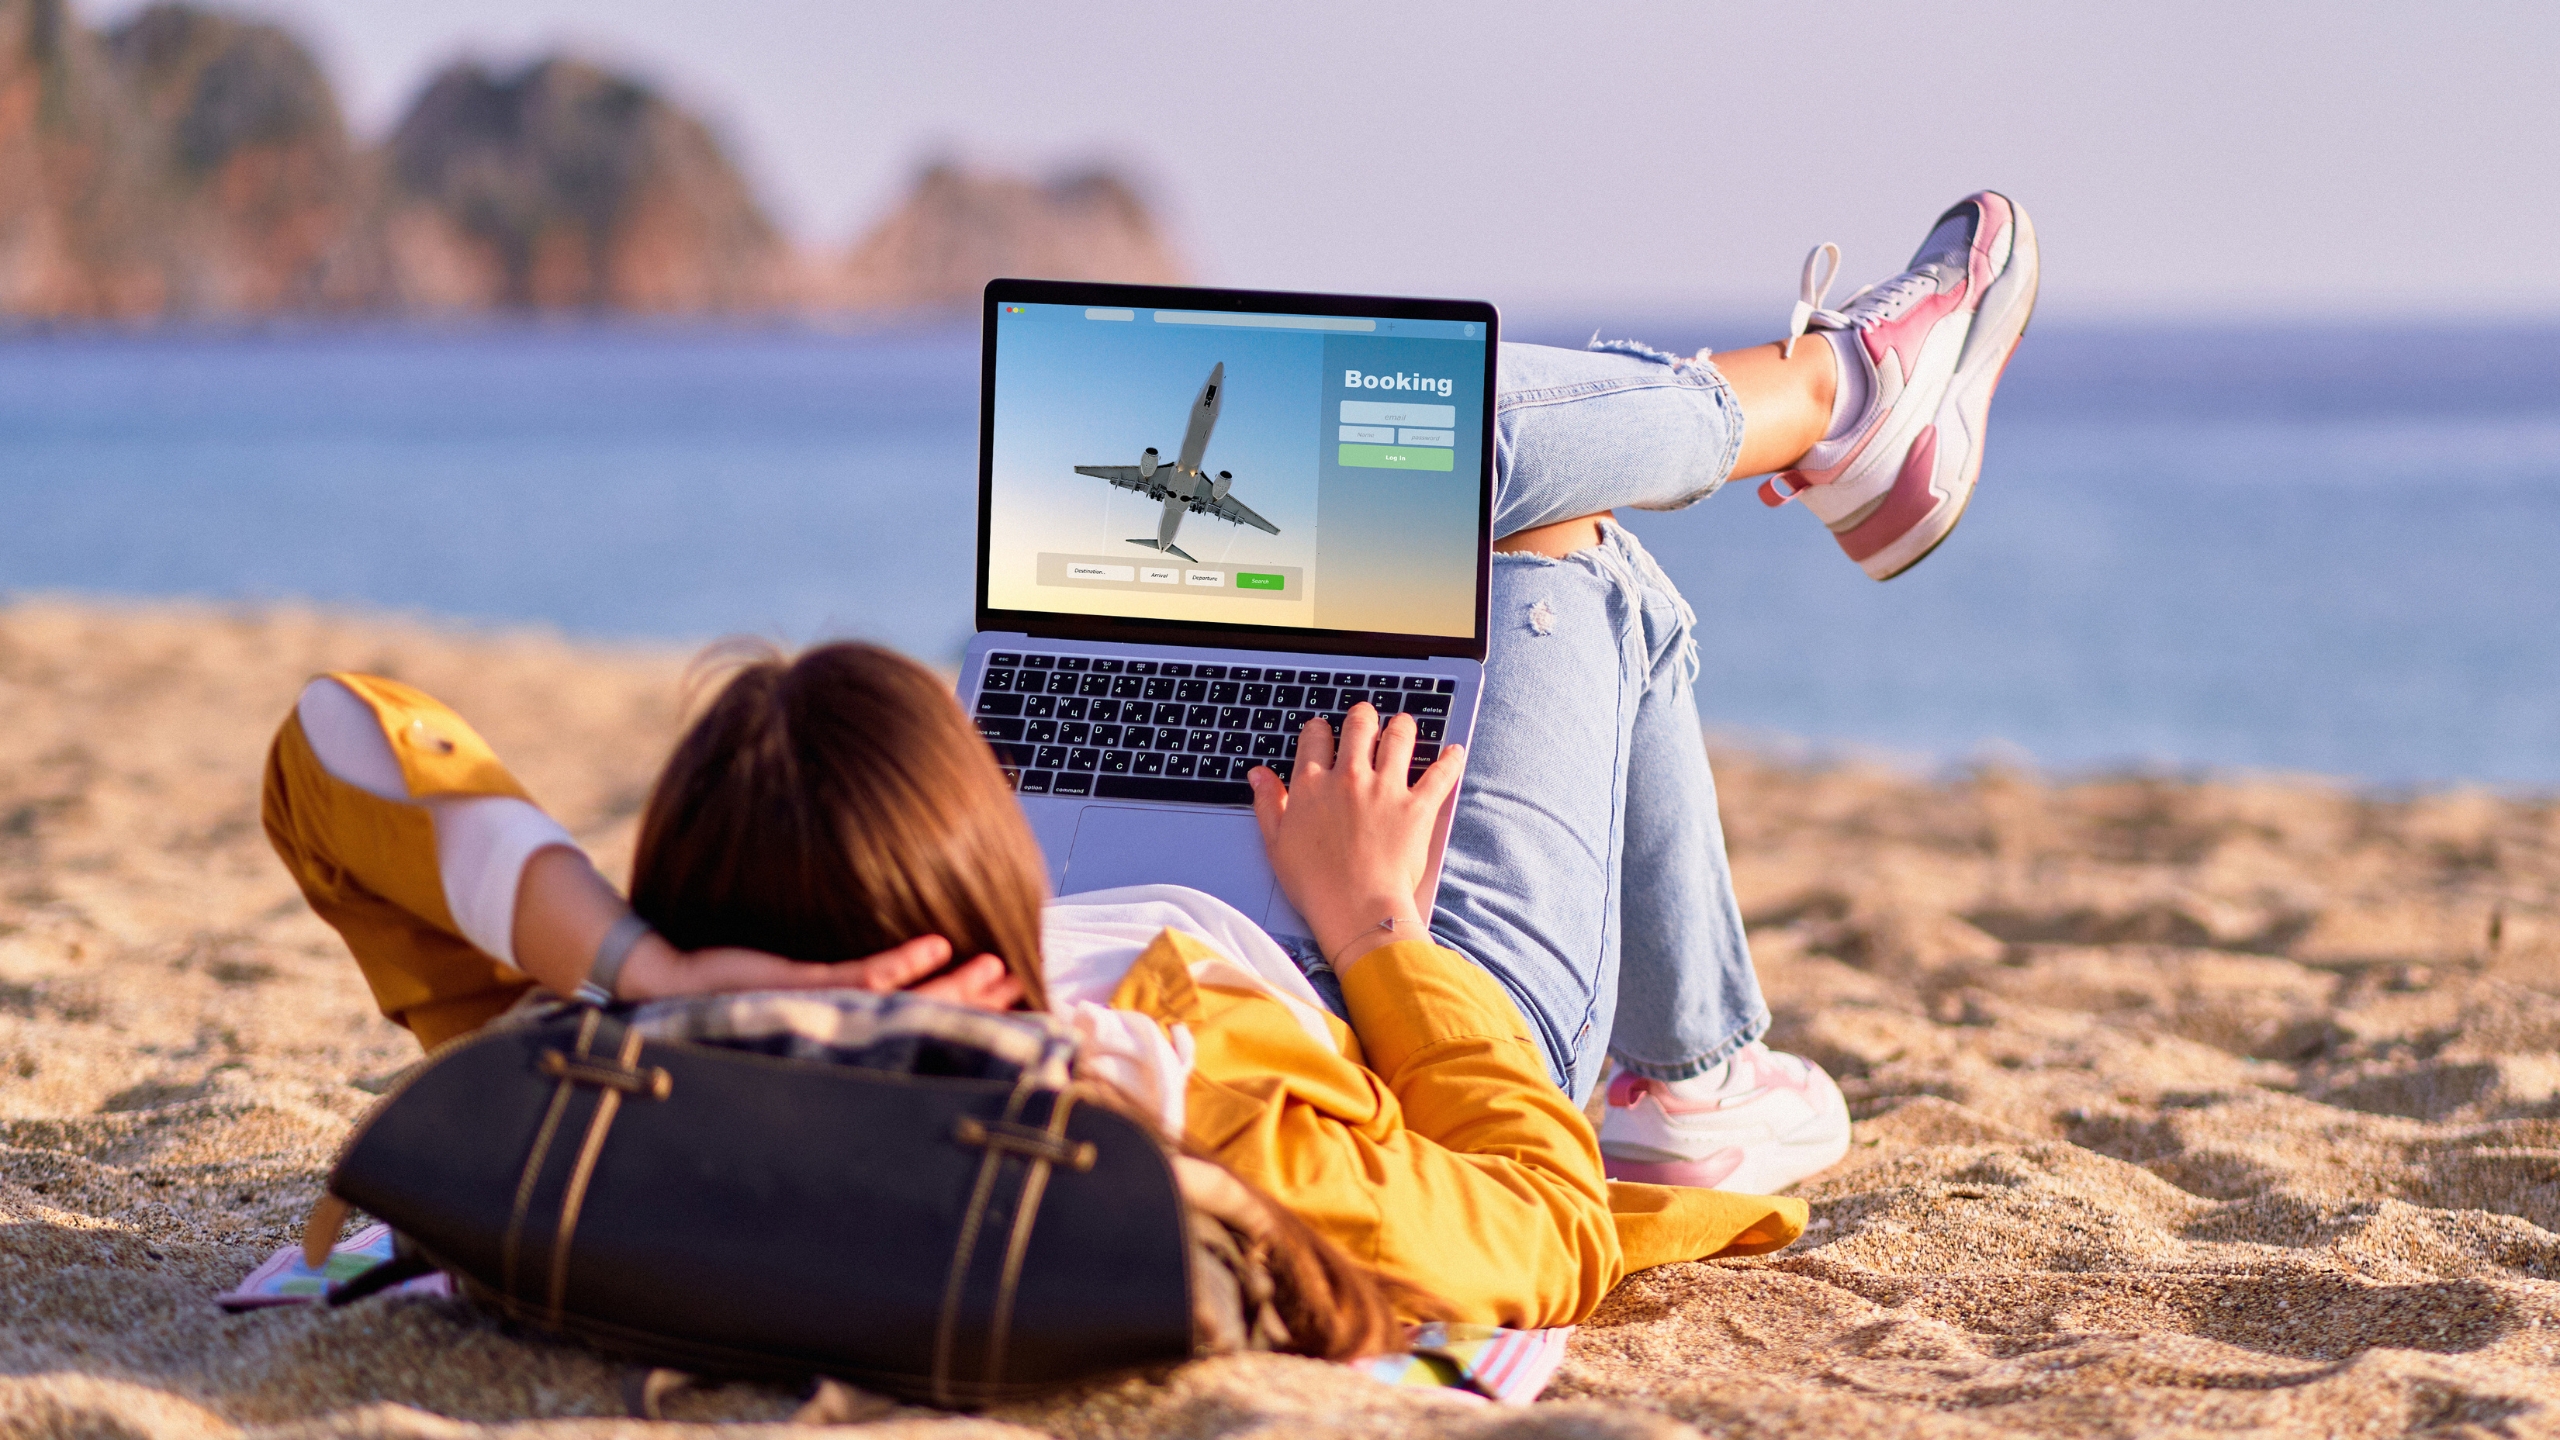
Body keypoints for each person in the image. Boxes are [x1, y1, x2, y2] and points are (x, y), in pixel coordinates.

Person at [263, 192, 2035, 1333]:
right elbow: (1538, 1229)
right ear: (963, 913)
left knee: (1373, 506)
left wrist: (654, 973)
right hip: (1398, 963)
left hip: (1043, 899)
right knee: (1524, 519)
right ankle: (1840, 403)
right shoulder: (1186, 1104)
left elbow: (333, 741)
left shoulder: (628, 1057)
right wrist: (1371, 936)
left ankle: (1839, 416)